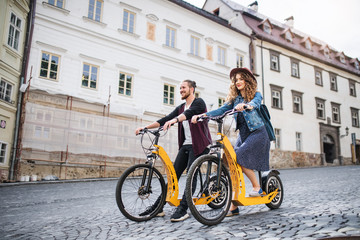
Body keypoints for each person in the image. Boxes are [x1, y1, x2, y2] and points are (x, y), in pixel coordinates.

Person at [191, 67, 270, 217]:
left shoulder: (255, 95)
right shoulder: (235, 100)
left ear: (248, 80)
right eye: (236, 80)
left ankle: (257, 186)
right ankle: (233, 206)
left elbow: (256, 102)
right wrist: (204, 115)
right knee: (229, 162)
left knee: (237, 157)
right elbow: (221, 110)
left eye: (241, 79)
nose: (238, 82)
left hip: (258, 132)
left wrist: (248, 105)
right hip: (244, 134)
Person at [135, 79, 212, 222]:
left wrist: (175, 120)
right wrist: (145, 128)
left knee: (191, 175)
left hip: (200, 145)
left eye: (183, 87)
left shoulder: (199, 103)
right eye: (180, 88)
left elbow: (188, 114)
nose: (181, 90)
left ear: (192, 89)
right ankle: (158, 207)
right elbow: (166, 119)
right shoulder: (181, 107)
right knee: (172, 176)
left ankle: (183, 209)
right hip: (186, 145)